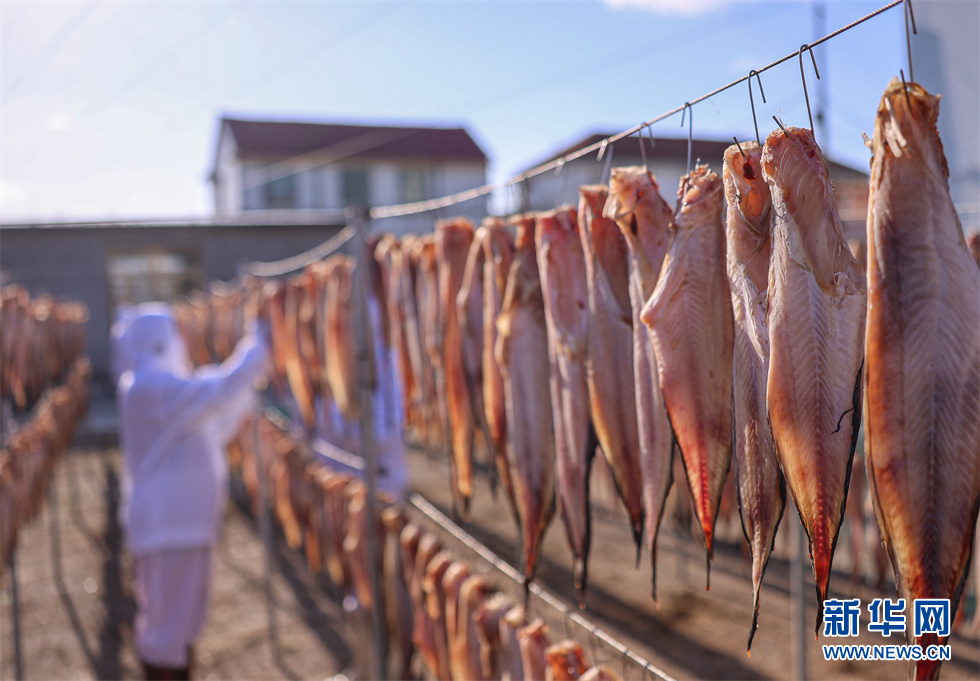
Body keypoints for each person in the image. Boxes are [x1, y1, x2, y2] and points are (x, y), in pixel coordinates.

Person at [115, 303, 269, 680]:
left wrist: (244, 385)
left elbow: (214, 425)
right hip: (170, 529)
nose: (181, 343)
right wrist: (261, 339)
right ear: (159, 341)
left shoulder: (160, 390)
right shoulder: (147, 388)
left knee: (182, 626)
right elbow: (217, 390)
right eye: (175, 335)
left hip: (183, 527)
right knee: (166, 633)